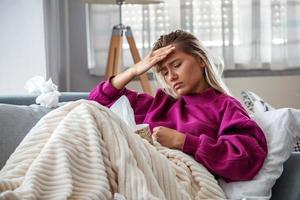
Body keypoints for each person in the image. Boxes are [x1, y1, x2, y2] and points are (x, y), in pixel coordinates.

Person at [88, 30, 267, 182]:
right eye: (164, 72)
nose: (171, 76)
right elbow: (95, 103)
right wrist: (134, 70)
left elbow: (245, 160)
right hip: (135, 171)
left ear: (200, 60)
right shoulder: (160, 103)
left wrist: (183, 142)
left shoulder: (226, 107)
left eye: (176, 65)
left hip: (177, 181)